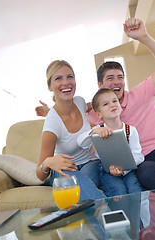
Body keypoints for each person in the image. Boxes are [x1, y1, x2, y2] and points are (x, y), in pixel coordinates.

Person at [36, 18, 155, 190]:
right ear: (100, 86)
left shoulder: (142, 92)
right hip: (144, 163)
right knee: (148, 176)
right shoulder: (95, 116)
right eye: (110, 78)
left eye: (120, 77)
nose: (116, 82)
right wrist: (49, 113)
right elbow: (71, 121)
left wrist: (144, 37)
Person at [36, 60, 105, 200]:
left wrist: (114, 97)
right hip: (64, 168)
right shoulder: (52, 123)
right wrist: (48, 162)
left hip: (89, 163)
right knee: (74, 183)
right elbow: (39, 174)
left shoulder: (80, 102)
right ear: (50, 86)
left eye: (70, 77)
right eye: (58, 78)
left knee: (83, 184)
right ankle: (104, 209)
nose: (66, 82)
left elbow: (98, 103)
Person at [77, 88, 144, 197]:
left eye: (114, 101)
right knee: (118, 191)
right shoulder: (98, 130)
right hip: (107, 171)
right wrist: (94, 131)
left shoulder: (130, 130)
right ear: (99, 114)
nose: (112, 105)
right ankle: (119, 213)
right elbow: (81, 142)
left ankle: (137, 214)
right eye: (105, 104)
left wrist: (124, 169)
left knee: (135, 190)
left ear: (120, 107)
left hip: (128, 170)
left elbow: (139, 156)